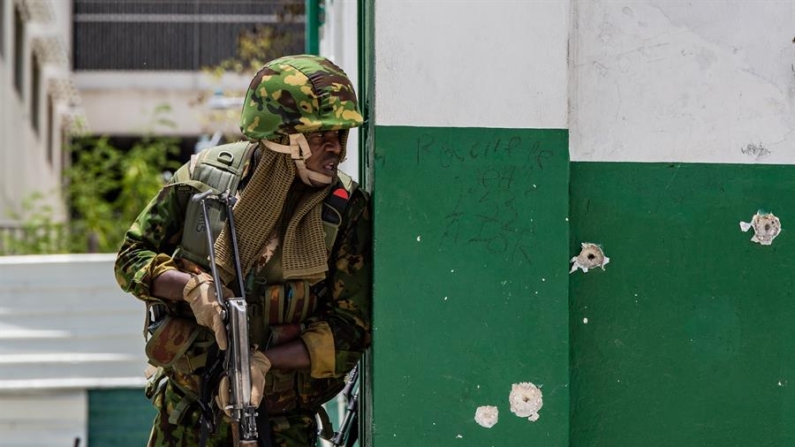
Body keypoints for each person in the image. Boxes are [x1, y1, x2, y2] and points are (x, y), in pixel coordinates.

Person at [114, 54, 371, 447]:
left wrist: (264, 363)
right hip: (186, 414)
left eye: (341, 135)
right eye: (321, 136)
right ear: (283, 137)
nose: (336, 149)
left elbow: (351, 330)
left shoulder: (345, 211)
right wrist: (191, 289)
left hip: (283, 425)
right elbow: (132, 257)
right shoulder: (202, 180)